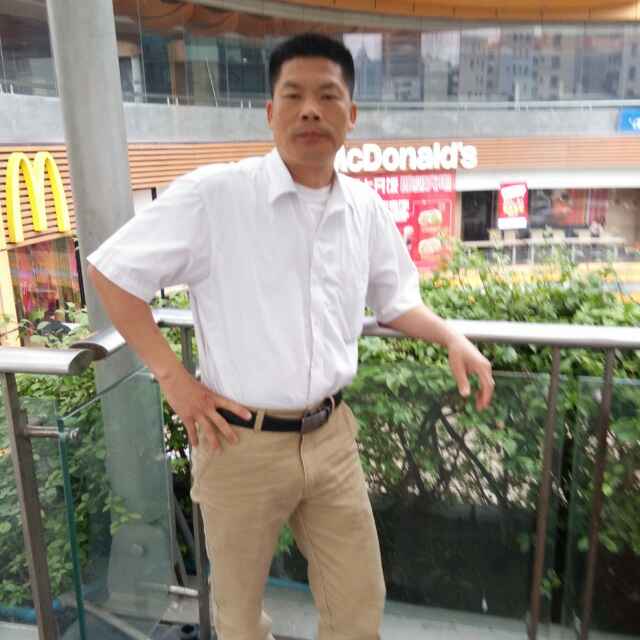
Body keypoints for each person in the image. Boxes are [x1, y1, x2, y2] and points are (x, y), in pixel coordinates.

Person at [87, 33, 494, 640]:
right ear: (270, 111)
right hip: (238, 443)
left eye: (327, 96)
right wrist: (174, 380)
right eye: (294, 95)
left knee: (359, 603)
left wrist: (451, 337)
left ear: (350, 115)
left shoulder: (364, 208)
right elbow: (113, 274)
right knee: (240, 616)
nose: (310, 110)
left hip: (332, 440)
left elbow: (396, 300)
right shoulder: (216, 195)